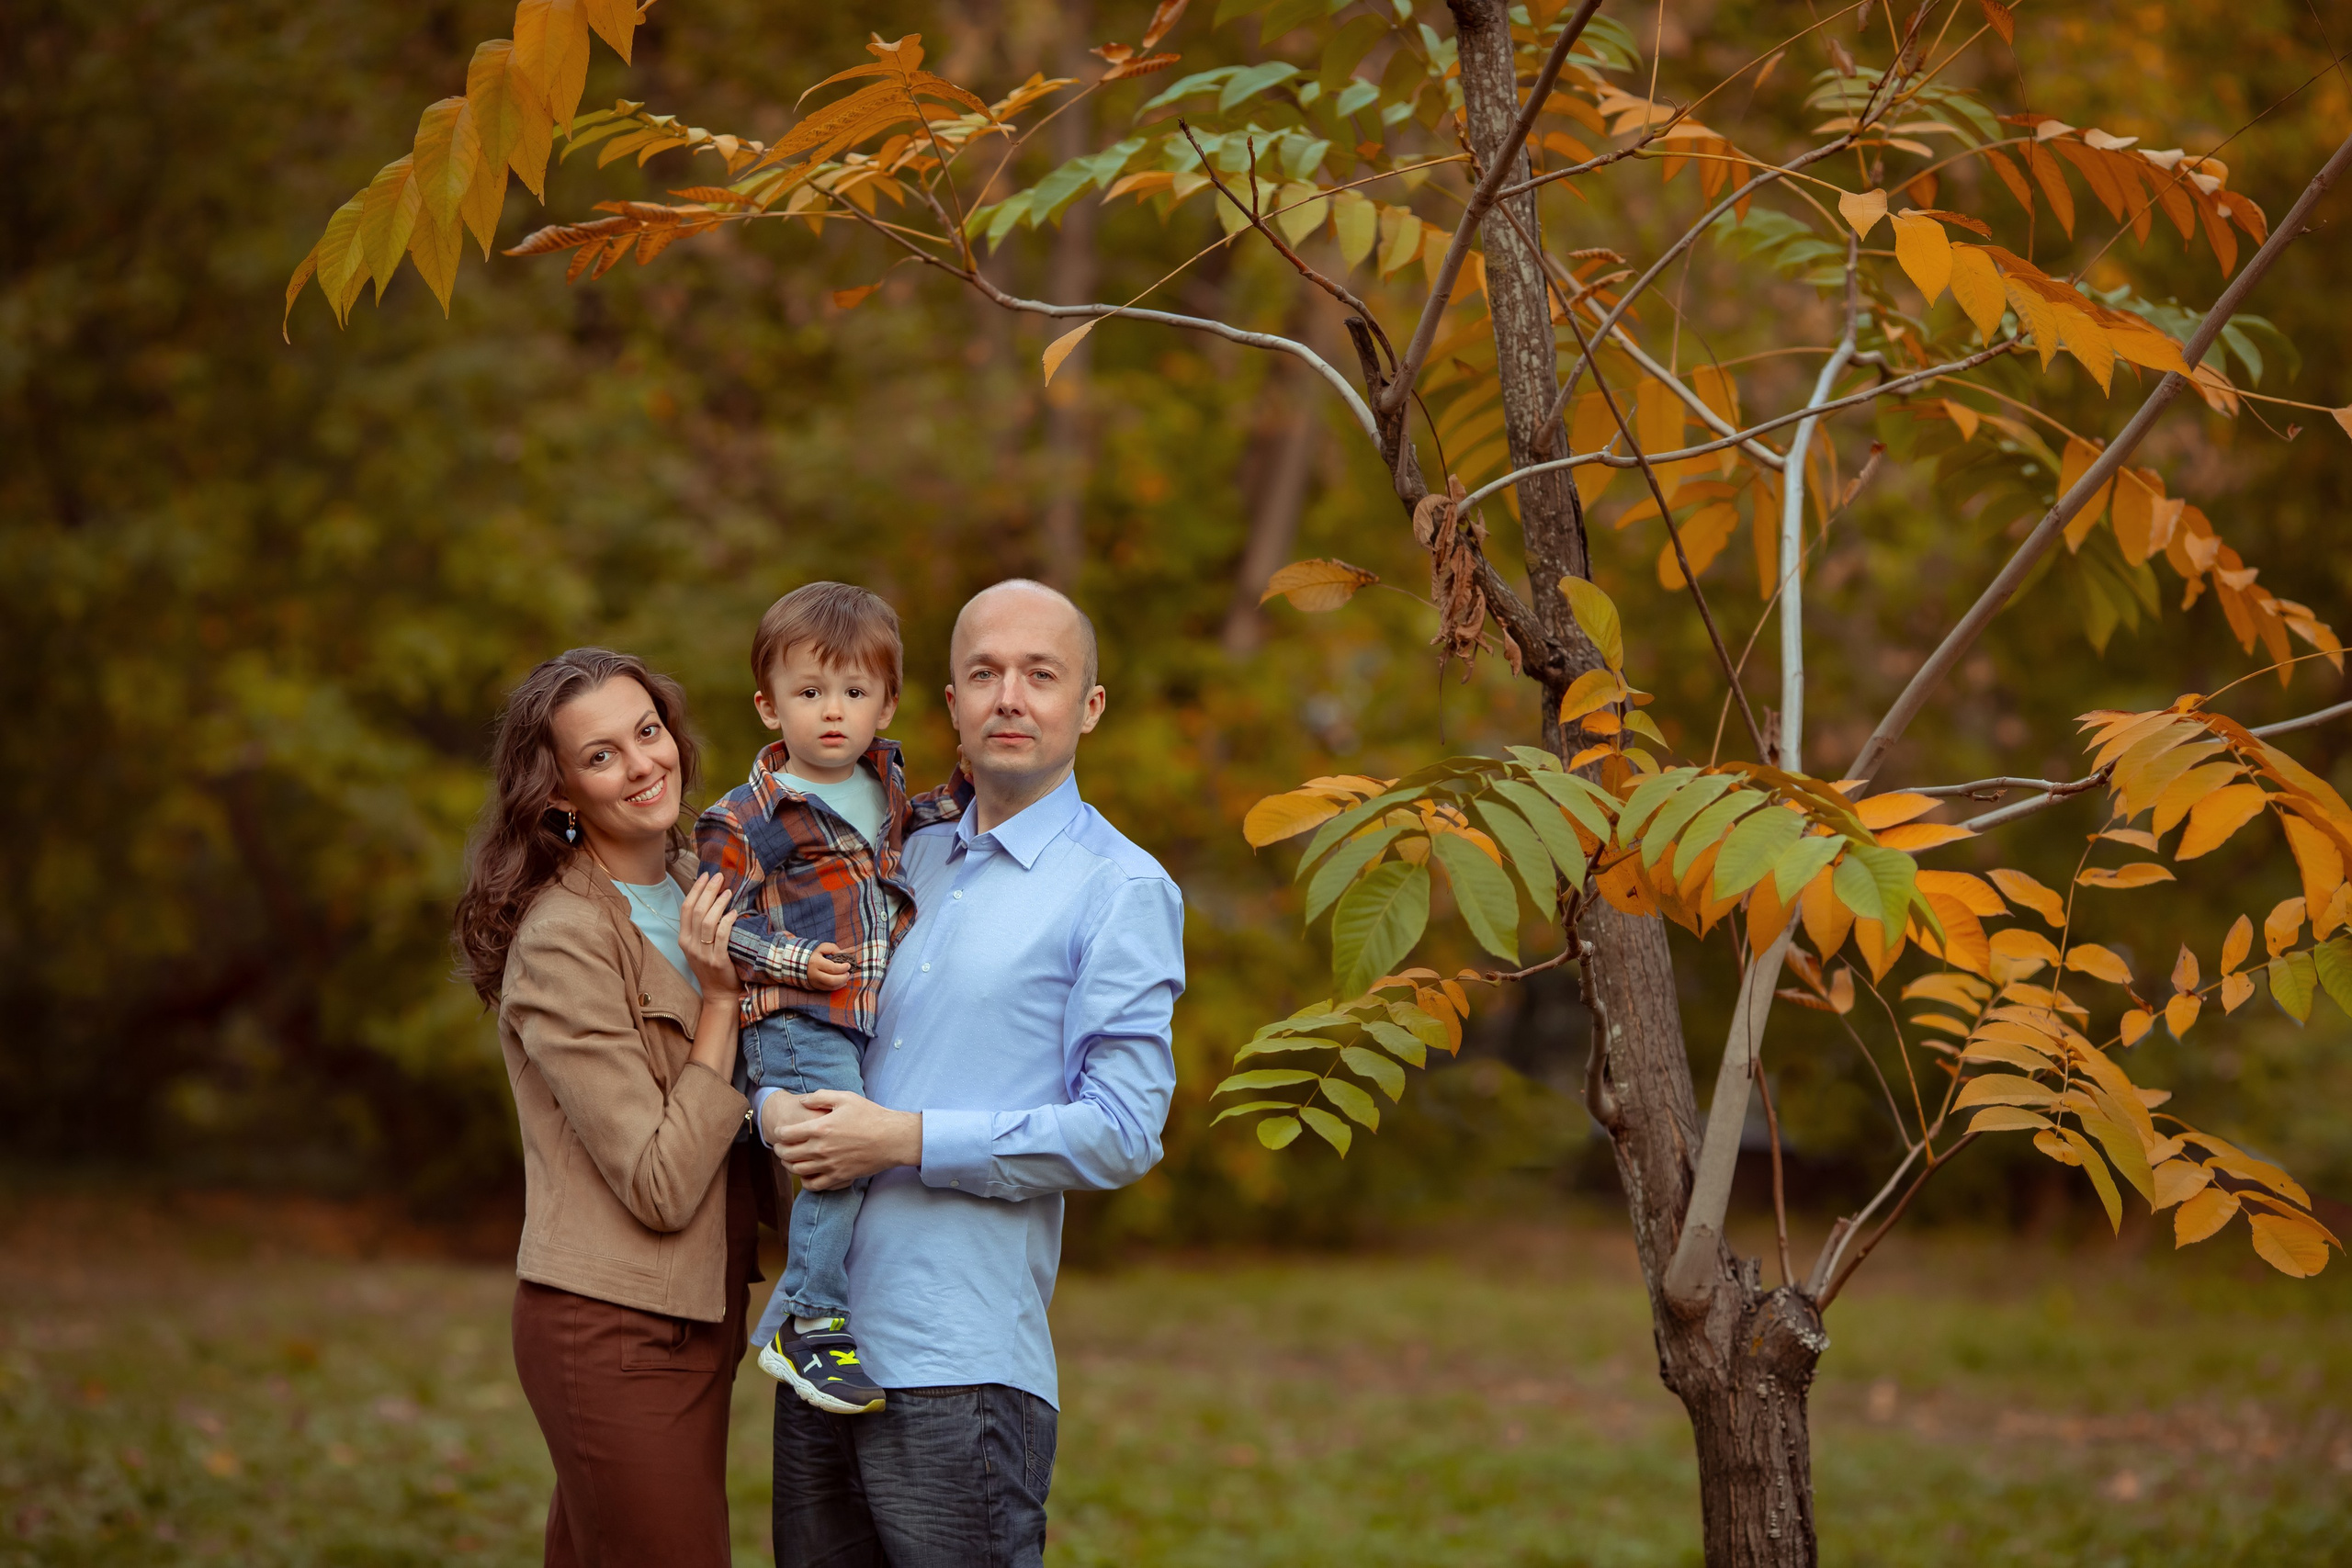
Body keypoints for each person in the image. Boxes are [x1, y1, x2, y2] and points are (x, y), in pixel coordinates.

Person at [761, 579, 1186, 1568]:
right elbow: (807, 1022)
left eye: (1041, 675)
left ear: (1089, 706)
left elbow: (1124, 1129)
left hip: (961, 1360)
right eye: (985, 674)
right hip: (819, 1343)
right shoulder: (893, 859)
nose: (1010, 697)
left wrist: (903, 1140)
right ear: (951, 703)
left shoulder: (1119, 887)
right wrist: (774, 1108)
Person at [453, 649, 761, 1568]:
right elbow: (660, 1182)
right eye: (601, 756)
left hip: (701, 1309)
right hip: (614, 1326)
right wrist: (718, 1001)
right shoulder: (564, 939)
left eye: (647, 731)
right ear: (558, 793)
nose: (641, 764)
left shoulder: (704, 883)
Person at [694, 581, 967, 1415]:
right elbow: (715, 925)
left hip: (856, 1021)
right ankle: (808, 1320)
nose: (834, 711)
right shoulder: (746, 817)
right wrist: (795, 958)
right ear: (770, 707)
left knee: (848, 1157)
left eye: (854, 691)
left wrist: (974, 786)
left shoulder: (884, 787)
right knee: (839, 1156)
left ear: (887, 703)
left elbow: (916, 827)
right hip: (794, 1015)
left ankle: (809, 1313)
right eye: (809, 692)